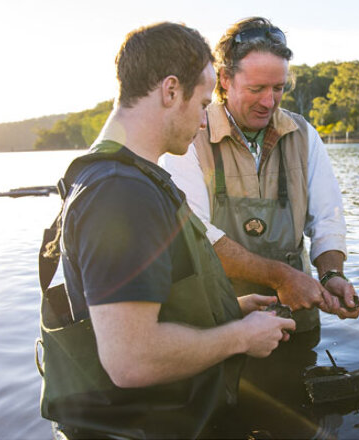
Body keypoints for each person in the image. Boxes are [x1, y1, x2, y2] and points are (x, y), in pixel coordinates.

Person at [37, 22, 295, 439]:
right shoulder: (121, 193)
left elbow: (133, 309)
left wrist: (225, 310)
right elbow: (131, 358)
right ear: (171, 90)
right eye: (204, 102)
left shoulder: (117, 178)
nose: (204, 119)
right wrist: (239, 338)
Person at [160, 17, 359, 335]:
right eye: (257, 89)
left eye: (278, 88)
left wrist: (331, 275)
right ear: (224, 79)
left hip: (296, 315)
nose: (269, 101)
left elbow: (328, 219)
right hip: (219, 321)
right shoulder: (188, 136)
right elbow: (195, 236)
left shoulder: (304, 135)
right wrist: (281, 277)